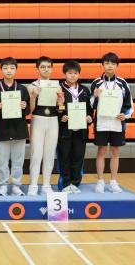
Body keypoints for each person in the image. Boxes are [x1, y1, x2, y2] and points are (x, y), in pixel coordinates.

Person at [90, 52, 133, 193]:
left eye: (113, 63)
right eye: (107, 63)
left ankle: (113, 181)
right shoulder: (96, 83)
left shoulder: (122, 83)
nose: (110, 66)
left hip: (117, 123)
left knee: (115, 151)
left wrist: (124, 115)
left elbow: (129, 104)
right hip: (101, 123)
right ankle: (100, 181)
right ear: (102, 65)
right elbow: (91, 105)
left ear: (117, 66)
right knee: (101, 151)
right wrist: (95, 96)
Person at [0, 57, 30, 196]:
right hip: (2, 130)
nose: (9, 71)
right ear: (1, 70)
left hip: (19, 130)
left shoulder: (22, 89)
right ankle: (3, 185)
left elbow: (28, 110)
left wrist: (24, 106)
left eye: (12, 68)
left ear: (16, 70)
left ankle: (17, 185)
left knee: (18, 160)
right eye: (6, 68)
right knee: (3, 160)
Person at [27, 56, 64, 195]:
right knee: (36, 153)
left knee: (49, 153)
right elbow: (29, 111)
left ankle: (46, 184)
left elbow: (60, 110)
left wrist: (61, 101)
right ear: (37, 69)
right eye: (43, 67)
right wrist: (33, 96)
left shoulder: (57, 86)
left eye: (48, 67)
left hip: (53, 120)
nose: (46, 69)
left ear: (52, 69)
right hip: (38, 119)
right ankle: (33, 184)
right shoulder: (32, 86)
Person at [57, 60, 93, 194]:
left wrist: (90, 118)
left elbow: (90, 109)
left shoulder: (85, 89)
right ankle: (65, 183)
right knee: (64, 157)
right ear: (64, 74)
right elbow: (57, 108)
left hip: (81, 130)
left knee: (78, 157)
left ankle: (75, 183)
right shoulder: (59, 88)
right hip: (65, 130)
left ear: (79, 74)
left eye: (75, 73)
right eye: (70, 73)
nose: (72, 76)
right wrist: (61, 116)